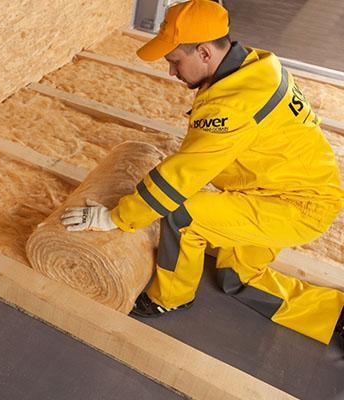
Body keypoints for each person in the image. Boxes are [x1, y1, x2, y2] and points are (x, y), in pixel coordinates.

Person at [60, 0, 344, 347]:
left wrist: (116, 218)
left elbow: (181, 177)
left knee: (182, 216)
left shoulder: (231, 106)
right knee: (234, 277)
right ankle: (337, 315)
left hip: (294, 205)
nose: (171, 72)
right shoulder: (256, 65)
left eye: (175, 61)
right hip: (289, 186)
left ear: (206, 53)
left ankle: (170, 298)